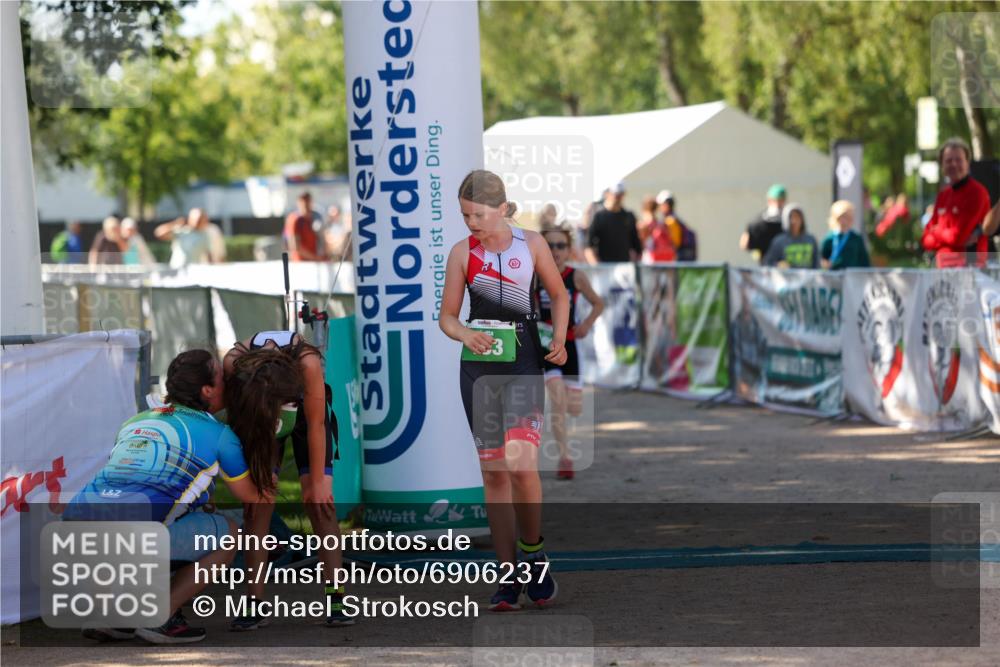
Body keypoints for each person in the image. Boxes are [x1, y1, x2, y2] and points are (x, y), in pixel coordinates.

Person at [65, 350, 270, 644]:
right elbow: (252, 497)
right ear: (207, 390)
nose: (230, 383)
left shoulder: (135, 421)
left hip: (72, 541)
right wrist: (269, 480)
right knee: (228, 533)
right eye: (223, 379)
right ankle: (160, 615)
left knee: (152, 522)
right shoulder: (219, 434)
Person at [439, 169, 568, 611]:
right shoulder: (461, 253)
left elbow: (559, 294)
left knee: (521, 466)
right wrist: (464, 335)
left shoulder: (531, 244)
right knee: (493, 474)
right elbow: (447, 317)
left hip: (525, 364)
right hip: (478, 370)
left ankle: (533, 550)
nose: (470, 222)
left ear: (502, 208)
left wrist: (560, 338)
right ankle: (507, 572)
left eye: (476, 214)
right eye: (464, 215)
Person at [223, 331, 352, 628]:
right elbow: (238, 420)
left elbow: (317, 425)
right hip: (258, 417)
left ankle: (337, 598)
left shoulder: (307, 363)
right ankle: (254, 603)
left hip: (309, 418)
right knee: (258, 504)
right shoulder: (235, 363)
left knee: (319, 502)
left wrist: (319, 481)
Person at [537, 224, 604, 479]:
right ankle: (565, 457)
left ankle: (565, 435)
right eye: (549, 245)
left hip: (572, 345)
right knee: (557, 401)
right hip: (546, 345)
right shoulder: (535, 275)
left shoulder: (576, 277)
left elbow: (598, 303)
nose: (554, 250)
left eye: (560, 245)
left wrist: (586, 324)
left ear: (569, 250)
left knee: (573, 407)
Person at [921, 137, 992, 268]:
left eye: (958, 160)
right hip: (943, 269)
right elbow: (925, 240)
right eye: (948, 160)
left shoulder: (977, 193)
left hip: (970, 270)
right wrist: (945, 235)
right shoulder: (943, 194)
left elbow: (957, 237)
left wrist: (935, 231)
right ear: (942, 165)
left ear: (967, 163)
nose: (953, 164)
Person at [585, 182, 641, 263]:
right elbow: (589, 245)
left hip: (624, 267)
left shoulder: (629, 216)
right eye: (615, 194)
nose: (618, 197)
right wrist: (597, 266)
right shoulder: (599, 217)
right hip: (605, 266)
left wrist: (634, 264)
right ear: (607, 194)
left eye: (620, 194)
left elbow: (636, 244)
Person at [740, 184, 787, 264]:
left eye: (781, 201)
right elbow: (744, 244)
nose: (778, 204)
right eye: (775, 200)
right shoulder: (757, 222)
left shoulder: (788, 220)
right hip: (765, 266)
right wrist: (756, 252)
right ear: (769, 201)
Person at [763, 203, 818, 269]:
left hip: (808, 278)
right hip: (786, 278)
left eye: (797, 217)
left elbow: (817, 264)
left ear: (802, 219)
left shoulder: (810, 239)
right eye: (790, 217)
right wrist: (778, 265)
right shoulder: (779, 241)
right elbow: (767, 263)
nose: (794, 221)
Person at [821, 200, 871, 270]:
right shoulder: (829, 238)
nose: (844, 221)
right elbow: (822, 259)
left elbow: (864, 262)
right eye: (842, 217)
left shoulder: (856, 239)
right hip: (833, 277)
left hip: (853, 277)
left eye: (847, 217)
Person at [285, 192, 327, 262]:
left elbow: (321, 239)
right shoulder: (294, 219)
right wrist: (316, 258)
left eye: (308, 202)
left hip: (313, 261)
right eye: (304, 203)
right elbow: (295, 246)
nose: (307, 205)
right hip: (301, 263)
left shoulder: (313, 219)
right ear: (299, 203)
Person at [657, 190, 697, 261]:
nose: (660, 208)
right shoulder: (673, 218)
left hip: (681, 256)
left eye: (660, 205)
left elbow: (676, 243)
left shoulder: (671, 220)